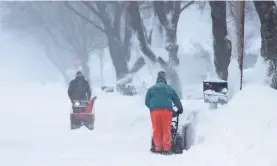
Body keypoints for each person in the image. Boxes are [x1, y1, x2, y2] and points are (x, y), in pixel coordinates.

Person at [145, 71, 183, 154]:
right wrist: (179, 109)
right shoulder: (168, 88)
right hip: (167, 111)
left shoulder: (151, 89)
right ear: (164, 80)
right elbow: (176, 99)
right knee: (166, 129)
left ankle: (158, 148)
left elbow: (147, 102)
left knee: (157, 129)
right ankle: (166, 149)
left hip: (155, 112)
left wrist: (153, 108)